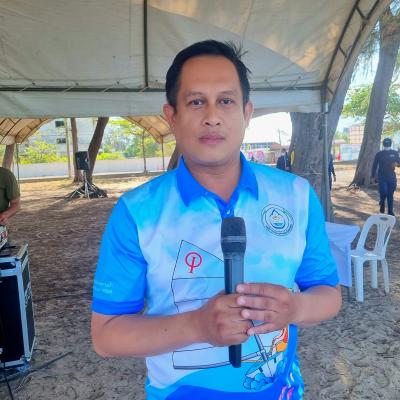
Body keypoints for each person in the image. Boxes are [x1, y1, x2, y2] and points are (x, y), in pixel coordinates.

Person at [91, 40, 341, 399]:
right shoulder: (136, 212)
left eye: (226, 100)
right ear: (171, 116)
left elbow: (328, 294)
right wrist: (196, 326)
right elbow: (106, 336)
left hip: (280, 390)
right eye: (196, 102)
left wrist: (297, 307)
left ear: (247, 112)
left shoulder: (297, 196)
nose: (212, 116)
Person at [371, 137, 400, 216]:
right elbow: (374, 165)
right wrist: (372, 176)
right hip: (382, 175)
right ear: (383, 144)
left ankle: (390, 211)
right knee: (383, 191)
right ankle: (382, 202)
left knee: (390, 194)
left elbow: (399, 163)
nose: (387, 144)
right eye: (385, 143)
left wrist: (397, 164)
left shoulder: (394, 153)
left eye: (388, 143)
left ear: (390, 143)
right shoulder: (379, 154)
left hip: (391, 175)